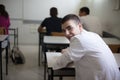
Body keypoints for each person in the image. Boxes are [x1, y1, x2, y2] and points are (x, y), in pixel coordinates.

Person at [53, 14, 120, 80]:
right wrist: (68, 51)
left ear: (79, 26)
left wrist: (54, 64)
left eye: (69, 28)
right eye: (64, 31)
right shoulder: (93, 35)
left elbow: (61, 62)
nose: (66, 33)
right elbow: (82, 48)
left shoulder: (78, 39)